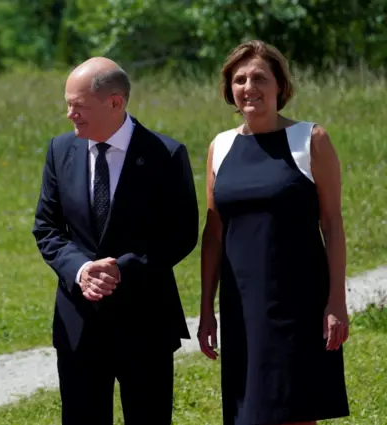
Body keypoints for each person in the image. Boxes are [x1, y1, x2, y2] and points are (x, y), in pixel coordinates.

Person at [32, 57, 199, 425]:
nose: (69, 114)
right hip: (79, 319)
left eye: (78, 106)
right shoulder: (60, 151)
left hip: (145, 321)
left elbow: (181, 233)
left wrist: (121, 270)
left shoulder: (166, 154)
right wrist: (81, 270)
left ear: (115, 103)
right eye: (67, 104)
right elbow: (47, 227)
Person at [198, 40, 350, 425]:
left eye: (260, 78)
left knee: (294, 412)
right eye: (240, 79)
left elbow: (332, 224)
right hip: (241, 305)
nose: (250, 87)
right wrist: (205, 310)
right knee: (248, 411)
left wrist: (336, 303)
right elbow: (213, 233)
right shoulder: (221, 146)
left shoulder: (310, 140)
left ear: (279, 86)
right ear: (229, 89)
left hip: (298, 304)